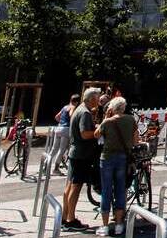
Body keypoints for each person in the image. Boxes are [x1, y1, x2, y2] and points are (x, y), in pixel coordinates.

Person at [94, 97, 137, 236]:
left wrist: (106, 118)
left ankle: (105, 226)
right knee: (120, 190)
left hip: (107, 158)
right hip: (123, 158)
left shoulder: (107, 121)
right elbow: (135, 140)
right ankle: (119, 224)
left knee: (106, 190)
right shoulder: (131, 120)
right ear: (124, 107)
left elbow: (96, 135)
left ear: (112, 108)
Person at [62, 87, 101, 230]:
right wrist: (98, 131)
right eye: (97, 97)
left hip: (75, 152)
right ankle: (71, 220)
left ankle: (64, 216)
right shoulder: (85, 112)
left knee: (70, 185)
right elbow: (84, 134)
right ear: (91, 99)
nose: (98, 99)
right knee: (76, 186)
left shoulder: (80, 109)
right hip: (81, 154)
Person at [51, 94, 78, 173]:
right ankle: (56, 169)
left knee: (54, 149)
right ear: (76, 102)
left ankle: (45, 165)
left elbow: (56, 117)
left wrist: (62, 122)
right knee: (61, 150)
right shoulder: (72, 107)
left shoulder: (64, 107)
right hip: (66, 129)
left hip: (58, 128)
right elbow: (71, 115)